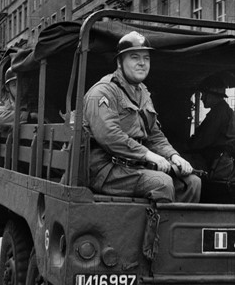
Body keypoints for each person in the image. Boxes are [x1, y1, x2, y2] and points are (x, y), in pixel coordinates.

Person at [83, 31, 201, 203]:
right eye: (134, 57)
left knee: (192, 183)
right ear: (119, 62)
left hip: (132, 167)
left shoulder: (142, 92)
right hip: (105, 169)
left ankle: (180, 230)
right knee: (162, 183)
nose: (142, 63)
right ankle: (158, 230)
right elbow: (108, 135)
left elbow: (154, 134)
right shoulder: (103, 92)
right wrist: (148, 155)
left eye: (146, 58)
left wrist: (173, 156)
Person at [186, 75, 235, 179]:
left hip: (218, 164)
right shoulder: (221, 111)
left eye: (204, 94)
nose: (202, 98)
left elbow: (203, 141)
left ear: (214, 95)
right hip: (218, 161)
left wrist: (186, 147)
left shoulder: (219, 113)